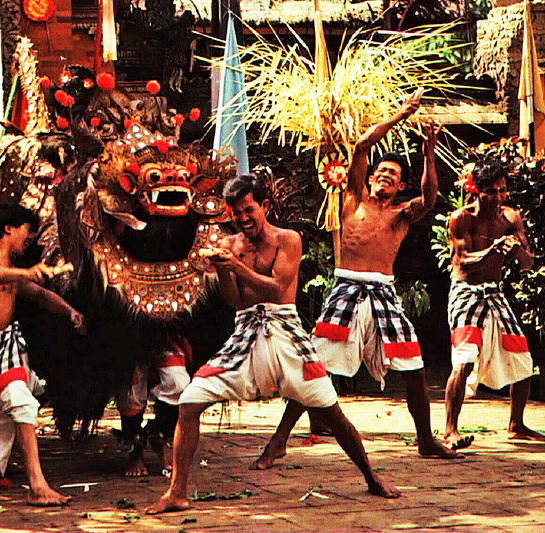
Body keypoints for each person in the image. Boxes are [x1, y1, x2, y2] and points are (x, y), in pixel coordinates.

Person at [146, 174, 400, 514]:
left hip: (286, 333)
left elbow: (278, 287)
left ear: (265, 206)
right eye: (236, 213)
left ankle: (371, 477)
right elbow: (235, 300)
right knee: (190, 401)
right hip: (245, 332)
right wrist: (223, 270)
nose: (243, 219)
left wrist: (235, 265)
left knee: (332, 413)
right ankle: (177, 491)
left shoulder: (289, 239)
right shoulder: (231, 245)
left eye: (248, 210)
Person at [310, 91, 459, 458]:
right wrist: (401, 114)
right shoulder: (351, 200)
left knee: (415, 368)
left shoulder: (401, 216)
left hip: (383, 292)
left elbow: (430, 197)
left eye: (391, 175)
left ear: (399, 187)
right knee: (317, 362)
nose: (382, 177)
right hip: (346, 287)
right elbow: (361, 146)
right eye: (379, 172)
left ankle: (425, 439)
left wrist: (428, 153)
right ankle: (285, 437)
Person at [0, 203, 82, 506]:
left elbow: (42, 295)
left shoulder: (12, 271)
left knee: (28, 399)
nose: (28, 239)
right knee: (22, 403)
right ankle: (37, 486)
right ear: (9, 229)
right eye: (26, 232)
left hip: (8, 348)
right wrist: (27, 271)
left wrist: (71, 312)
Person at [444, 157, 543, 447]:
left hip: (495, 293)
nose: (498, 197)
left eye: (502, 191)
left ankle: (517, 425)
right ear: (477, 190)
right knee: (463, 359)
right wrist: (494, 249)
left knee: (522, 359)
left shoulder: (511, 218)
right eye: (492, 192)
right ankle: (450, 430)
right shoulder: (462, 218)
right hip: (465, 292)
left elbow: (528, 263)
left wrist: (519, 250)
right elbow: (462, 262)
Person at [116, 336, 191, 477]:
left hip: (167, 334)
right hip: (126, 335)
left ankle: (161, 436)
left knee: (178, 382)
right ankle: (135, 450)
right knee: (130, 390)